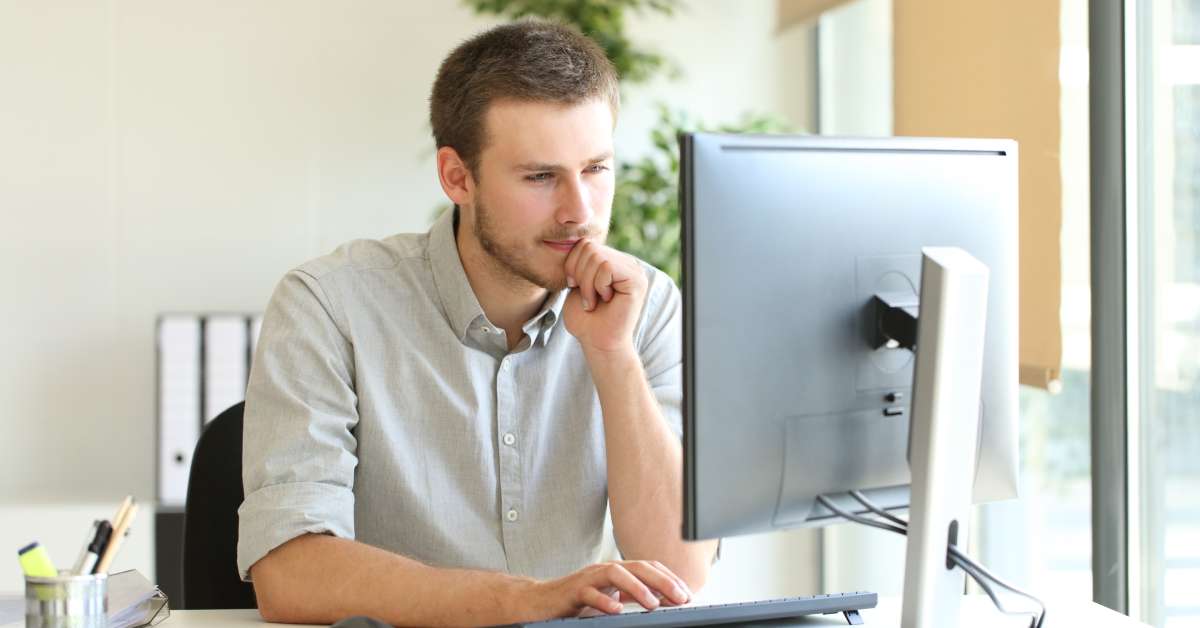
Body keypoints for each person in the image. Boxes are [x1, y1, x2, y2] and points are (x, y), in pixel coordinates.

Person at [237, 19, 719, 626]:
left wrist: (612, 354)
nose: (581, 212)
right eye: (541, 177)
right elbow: (291, 576)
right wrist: (522, 600)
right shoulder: (329, 305)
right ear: (457, 177)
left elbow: (680, 572)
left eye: (596, 169)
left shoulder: (646, 305)